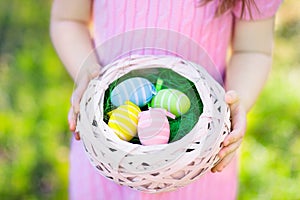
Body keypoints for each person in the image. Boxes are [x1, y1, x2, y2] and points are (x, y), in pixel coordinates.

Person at [50, 0, 282, 199]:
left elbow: (252, 49)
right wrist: (88, 72)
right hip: (106, 155)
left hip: (199, 162)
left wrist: (234, 99)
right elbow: (68, 20)